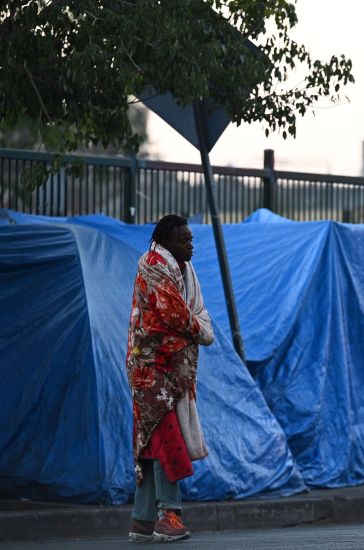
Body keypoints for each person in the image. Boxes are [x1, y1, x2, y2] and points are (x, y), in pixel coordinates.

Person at [126, 215, 214, 542]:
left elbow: (193, 314)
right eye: (184, 239)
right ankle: (169, 516)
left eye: (191, 238)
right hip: (151, 367)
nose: (190, 244)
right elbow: (175, 315)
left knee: (151, 439)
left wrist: (197, 326)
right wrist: (202, 331)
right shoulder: (154, 266)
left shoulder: (183, 269)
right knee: (167, 438)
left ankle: (142, 521)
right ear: (167, 241)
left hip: (167, 366)